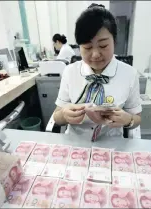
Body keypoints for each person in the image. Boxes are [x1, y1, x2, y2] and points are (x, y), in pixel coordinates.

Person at [53, 4, 142, 141]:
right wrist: (64, 115)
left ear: (115, 41)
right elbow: (57, 117)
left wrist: (128, 120)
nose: (95, 54)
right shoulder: (70, 72)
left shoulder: (130, 74)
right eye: (87, 47)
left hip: (112, 145)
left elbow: (137, 118)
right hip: (76, 144)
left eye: (103, 46)